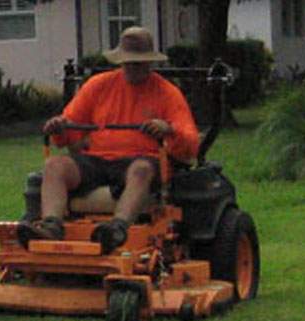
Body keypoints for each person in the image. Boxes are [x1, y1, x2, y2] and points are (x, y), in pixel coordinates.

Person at [18, 26, 199, 253]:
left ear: (150, 63)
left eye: (139, 62)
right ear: (120, 61)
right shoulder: (98, 86)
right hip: (96, 160)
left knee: (141, 169)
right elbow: (69, 129)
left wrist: (168, 129)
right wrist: (58, 127)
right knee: (55, 165)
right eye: (129, 62)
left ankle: (117, 229)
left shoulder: (167, 93)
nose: (133, 67)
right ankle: (51, 226)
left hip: (140, 162)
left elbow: (189, 142)